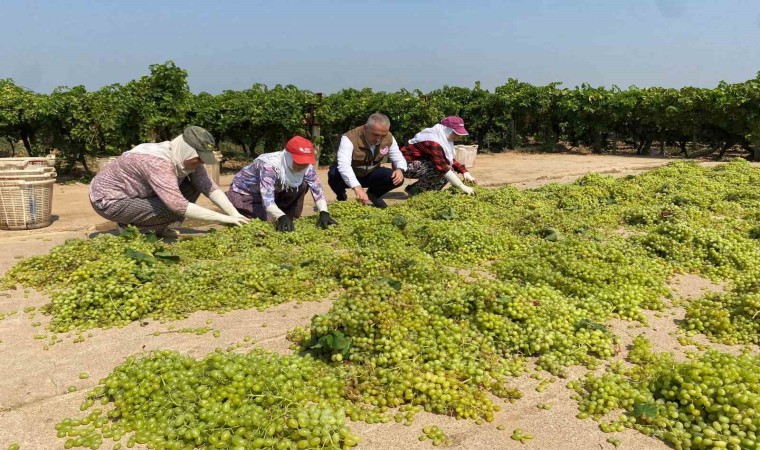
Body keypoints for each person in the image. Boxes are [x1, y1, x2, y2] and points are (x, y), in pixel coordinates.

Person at [89, 126, 250, 238]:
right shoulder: (158, 162)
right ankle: (133, 228)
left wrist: (234, 213)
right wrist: (224, 219)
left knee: (194, 186)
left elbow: (207, 186)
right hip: (110, 201)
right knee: (173, 209)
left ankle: (155, 227)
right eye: (198, 158)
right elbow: (178, 205)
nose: (200, 162)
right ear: (187, 150)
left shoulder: (182, 157)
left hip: (139, 195)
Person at [226, 136, 338, 233]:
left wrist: (324, 212)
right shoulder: (269, 166)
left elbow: (317, 189)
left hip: (275, 191)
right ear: (288, 156)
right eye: (298, 162)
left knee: (302, 185)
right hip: (247, 195)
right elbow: (267, 199)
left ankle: (287, 215)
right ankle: (275, 214)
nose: (301, 166)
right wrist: (280, 216)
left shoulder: (307, 168)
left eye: (305, 162)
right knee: (269, 221)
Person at [327, 112, 407, 208]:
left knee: (395, 177)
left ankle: (374, 195)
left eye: (383, 135)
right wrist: (357, 187)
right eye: (375, 135)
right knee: (333, 174)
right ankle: (341, 196)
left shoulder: (389, 137)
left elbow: (397, 156)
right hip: (351, 174)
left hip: (371, 173)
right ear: (365, 128)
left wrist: (400, 169)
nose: (379, 139)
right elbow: (344, 166)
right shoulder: (349, 138)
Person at [400, 116, 477, 196]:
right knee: (445, 170)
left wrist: (465, 172)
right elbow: (443, 166)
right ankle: (420, 192)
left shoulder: (443, 139)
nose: (458, 136)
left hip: (421, 164)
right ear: (446, 129)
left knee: (449, 170)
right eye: (455, 133)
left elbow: (448, 160)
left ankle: (417, 191)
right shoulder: (433, 141)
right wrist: (462, 186)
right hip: (405, 166)